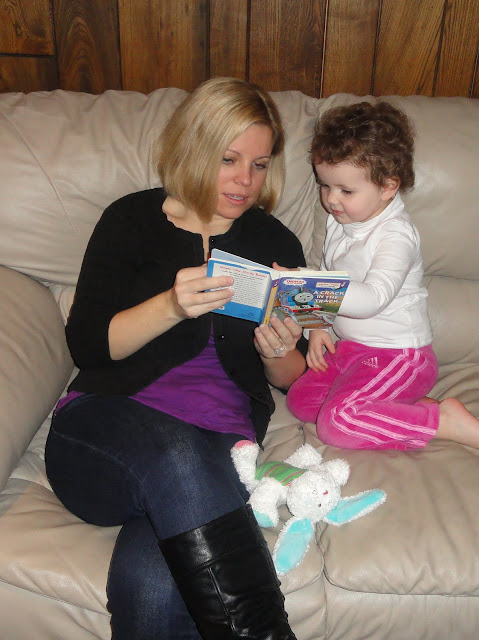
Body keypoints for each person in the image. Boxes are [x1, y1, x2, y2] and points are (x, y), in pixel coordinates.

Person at [44, 77, 309, 640]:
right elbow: (87, 346)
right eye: (229, 159)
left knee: (155, 583)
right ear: (193, 147)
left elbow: (293, 379)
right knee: (180, 455)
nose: (245, 181)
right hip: (102, 432)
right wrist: (168, 305)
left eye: (260, 165)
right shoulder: (131, 220)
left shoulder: (276, 244)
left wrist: (280, 351)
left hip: (219, 447)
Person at [286, 100, 479, 451]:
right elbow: (331, 275)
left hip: (398, 355)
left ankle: (443, 422)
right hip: (350, 351)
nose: (332, 200)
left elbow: (372, 299)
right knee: (300, 401)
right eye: (325, 186)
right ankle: (397, 409)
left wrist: (306, 285)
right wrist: (317, 327)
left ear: (388, 187)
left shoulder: (396, 235)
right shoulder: (339, 221)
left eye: (346, 190)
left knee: (337, 424)